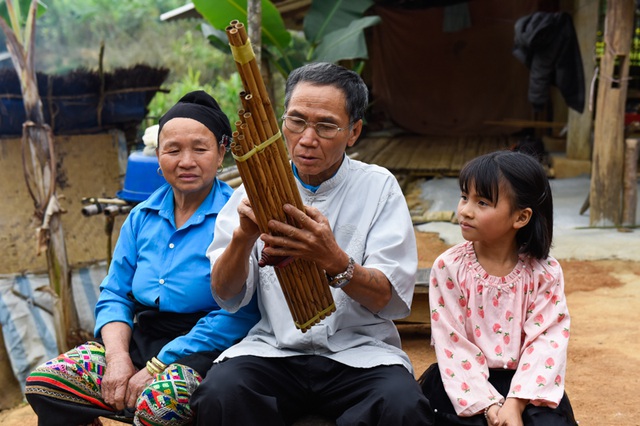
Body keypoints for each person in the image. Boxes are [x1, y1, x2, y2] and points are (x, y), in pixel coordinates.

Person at [190, 62, 433, 425]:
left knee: (402, 405)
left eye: (326, 126)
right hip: (274, 350)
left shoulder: (379, 187)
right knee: (220, 394)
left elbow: (389, 298)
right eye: (296, 121)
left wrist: (333, 259)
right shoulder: (250, 192)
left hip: (361, 355)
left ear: (354, 132)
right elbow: (225, 293)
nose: (306, 138)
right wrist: (243, 237)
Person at [24, 91, 260, 426]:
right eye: (173, 150)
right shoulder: (141, 217)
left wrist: (158, 365)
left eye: (200, 148)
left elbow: (239, 313)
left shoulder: (237, 216)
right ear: (158, 157)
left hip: (206, 347)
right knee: (48, 384)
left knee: (157, 408)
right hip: (141, 337)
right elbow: (116, 293)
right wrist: (118, 357)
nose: (186, 161)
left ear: (221, 153)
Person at [418, 150, 577, 426]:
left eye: (482, 202)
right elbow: (452, 344)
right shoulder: (449, 267)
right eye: (464, 196)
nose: (465, 210)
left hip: (527, 386)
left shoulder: (544, 272)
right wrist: (489, 405)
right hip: (464, 383)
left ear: (521, 218)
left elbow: (547, 340)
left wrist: (515, 404)